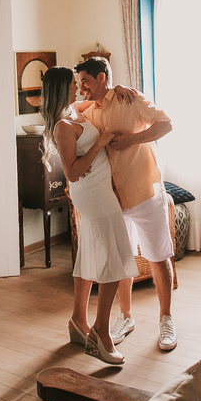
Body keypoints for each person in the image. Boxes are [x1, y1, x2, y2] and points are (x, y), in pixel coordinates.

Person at [73, 56, 177, 352]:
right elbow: (68, 108)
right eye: (79, 84)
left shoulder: (131, 100)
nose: (82, 89)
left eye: (86, 82)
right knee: (120, 259)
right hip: (113, 199)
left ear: (101, 78)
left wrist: (133, 140)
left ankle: (166, 319)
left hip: (143, 192)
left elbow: (165, 124)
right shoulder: (88, 110)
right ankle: (126, 317)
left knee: (159, 256)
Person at [40, 66, 137, 365]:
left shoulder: (74, 110)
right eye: (73, 83)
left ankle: (77, 321)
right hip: (92, 192)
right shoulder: (63, 126)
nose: (79, 87)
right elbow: (72, 172)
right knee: (118, 257)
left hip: (99, 190)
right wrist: (100, 142)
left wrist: (118, 87)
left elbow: (98, 99)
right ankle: (100, 333)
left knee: (89, 255)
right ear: (61, 89)